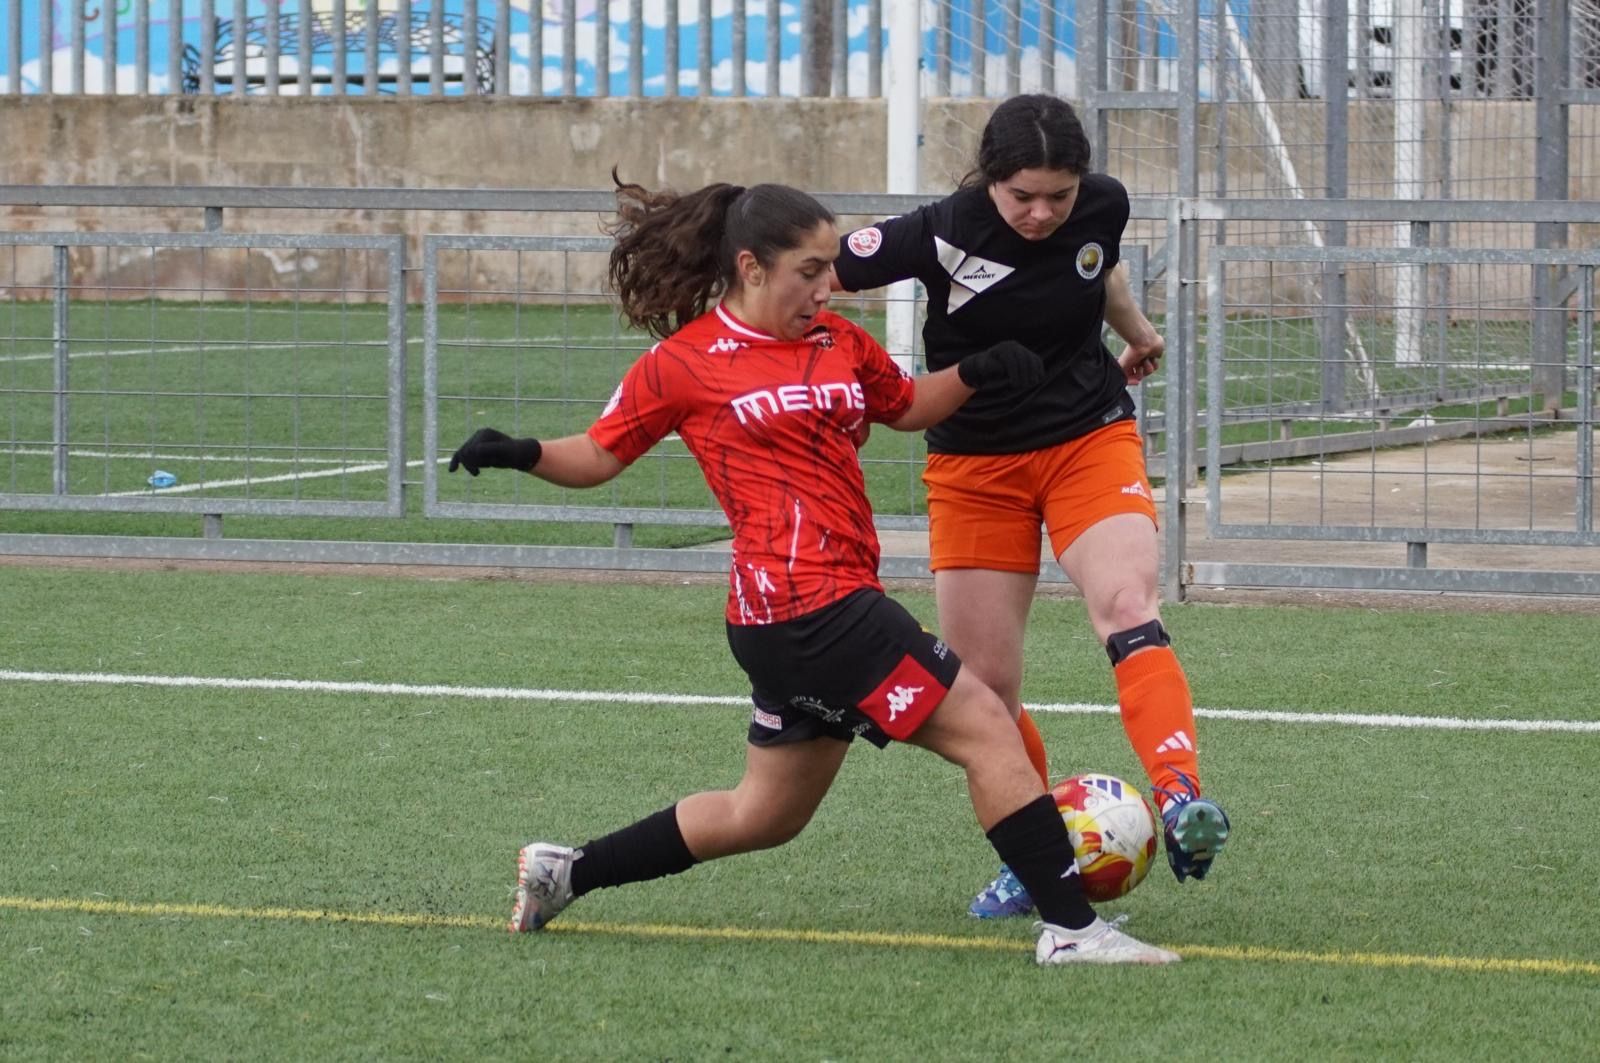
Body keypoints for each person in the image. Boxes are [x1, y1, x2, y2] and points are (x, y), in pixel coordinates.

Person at [447, 173, 1178, 965]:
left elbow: (902, 405)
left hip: (800, 620)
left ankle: (566, 871)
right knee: (989, 729)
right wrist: (522, 453)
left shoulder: (840, 343)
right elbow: (597, 453)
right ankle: (1073, 929)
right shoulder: (682, 364)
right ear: (753, 267)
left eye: (831, 267)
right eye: (810, 270)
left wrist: (975, 373)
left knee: (764, 813)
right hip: (808, 608)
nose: (828, 285)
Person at [831, 93, 1230, 919]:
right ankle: (1043, 848)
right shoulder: (939, 230)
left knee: (1127, 604)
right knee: (983, 690)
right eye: (1024, 197)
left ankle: (1182, 792)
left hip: (1088, 436)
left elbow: (1098, 265)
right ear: (989, 180)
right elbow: (815, 271)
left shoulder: (1104, 204)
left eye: (1060, 194)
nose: (1044, 212)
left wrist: (1138, 332)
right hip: (974, 463)